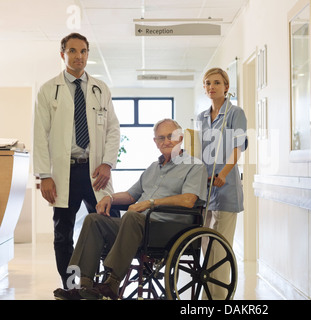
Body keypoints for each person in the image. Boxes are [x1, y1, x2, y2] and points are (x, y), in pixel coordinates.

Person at [53, 119, 208, 300]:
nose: (166, 141)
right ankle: (83, 287)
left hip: (168, 229)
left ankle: (111, 284)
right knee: (94, 220)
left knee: (132, 217)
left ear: (180, 137)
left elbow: (189, 200)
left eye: (171, 137)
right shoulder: (152, 168)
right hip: (138, 226)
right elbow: (131, 196)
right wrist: (109, 198)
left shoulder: (195, 166)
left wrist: (150, 203)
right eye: (161, 138)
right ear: (155, 142)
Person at [33, 32, 121, 288]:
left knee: (110, 226)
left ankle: (107, 283)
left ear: (87, 55)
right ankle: (72, 287)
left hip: (96, 171)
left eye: (83, 51)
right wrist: (45, 175)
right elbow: (40, 134)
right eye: (72, 51)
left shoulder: (100, 88)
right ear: (63, 55)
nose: (78, 56)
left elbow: (113, 129)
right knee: (63, 235)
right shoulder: (49, 90)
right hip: (64, 173)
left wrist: (107, 162)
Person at [196, 67, 248, 299]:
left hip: (226, 188)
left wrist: (225, 173)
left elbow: (238, 147)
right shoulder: (201, 118)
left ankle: (219, 299)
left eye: (216, 83)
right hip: (204, 188)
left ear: (226, 87)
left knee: (220, 248)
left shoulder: (235, 113)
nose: (211, 87)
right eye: (207, 83)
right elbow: (199, 151)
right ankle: (208, 297)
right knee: (205, 246)